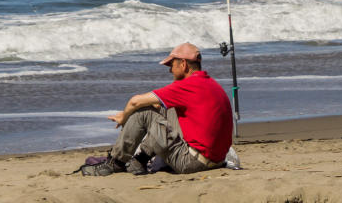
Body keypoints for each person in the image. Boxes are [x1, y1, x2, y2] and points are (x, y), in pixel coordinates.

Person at [81, 42, 233, 176]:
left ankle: (116, 163)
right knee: (165, 107)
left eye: (171, 65)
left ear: (183, 64)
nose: (170, 71)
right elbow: (159, 105)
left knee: (144, 112)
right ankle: (140, 160)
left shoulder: (186, 86)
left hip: (192, 163)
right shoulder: (210, 84)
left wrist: (123, 117)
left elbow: (135, 102)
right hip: (216, 160)